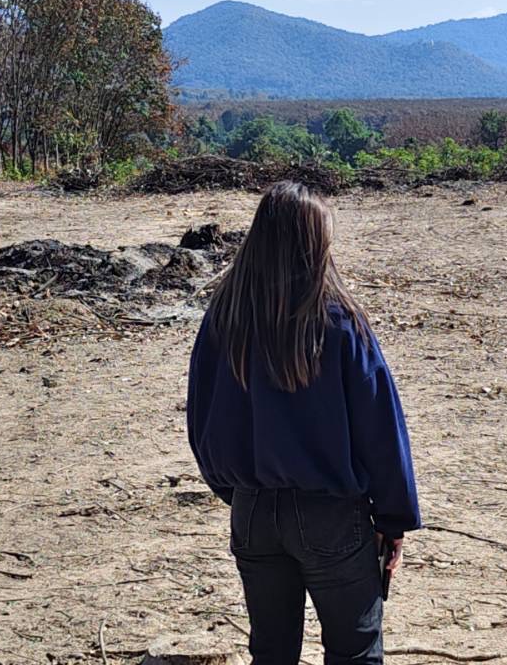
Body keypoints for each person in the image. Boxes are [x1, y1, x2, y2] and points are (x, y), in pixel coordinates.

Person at [188, 181, 421, 665]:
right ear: (315, 245)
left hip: (252, 512)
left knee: (271, 655)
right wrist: (393, 518)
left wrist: (240, 492)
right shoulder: (341, 323)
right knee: (355, 653)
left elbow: (201, 420)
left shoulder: (223, 320)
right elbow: (381, 429)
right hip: (330, 515)